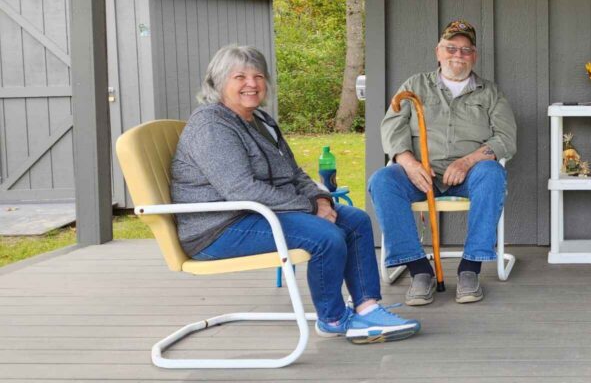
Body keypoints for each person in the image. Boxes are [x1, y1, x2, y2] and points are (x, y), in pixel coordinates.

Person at [170, 44, 420, 344]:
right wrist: (310, 207)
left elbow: (293, 172)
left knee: (355, 220)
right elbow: (241, 189)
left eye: (258, 76)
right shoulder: (212, 125)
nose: (252, 84)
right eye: (240, 77)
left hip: (257, 214)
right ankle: (333, 318)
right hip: (218, 227)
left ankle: (368, 309)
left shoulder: (261, 121)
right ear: (218, 82)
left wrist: (320, 198)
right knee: (326, 236)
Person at [367, 19, 517, 306]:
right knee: (382, 181)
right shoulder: (414, 85)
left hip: (471, 175)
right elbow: (392, 128)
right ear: (438, 51)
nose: (458, 55)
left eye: (465, 49)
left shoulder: (490, 93)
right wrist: (410, 164)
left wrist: (467, 162)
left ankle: (470, 268)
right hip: (420, 173)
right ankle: (419, 270)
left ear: (474, 56)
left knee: (493, 173)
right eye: (451, 48)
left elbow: (506, 139)